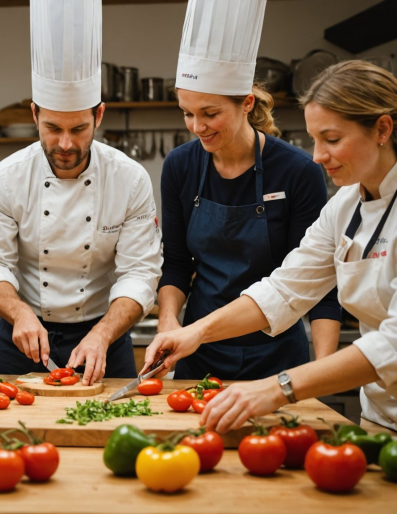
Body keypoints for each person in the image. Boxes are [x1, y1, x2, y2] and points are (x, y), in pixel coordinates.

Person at [143, 61, 397, 433]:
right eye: (314, 140)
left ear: (383, 129)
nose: (317, 156)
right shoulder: (344, 206)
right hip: (379, 417)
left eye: (331, 139)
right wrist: (193, 332)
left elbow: (392, 344)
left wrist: (283, 386)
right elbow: (283, 289)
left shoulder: (301, 175)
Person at [0, 0, 162, 386]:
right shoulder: (8, 177)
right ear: (34, 115)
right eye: (52, 128)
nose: (64, 144)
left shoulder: (129, 179)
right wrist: (20, 314)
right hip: (23, 334)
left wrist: (103, 333)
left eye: (78, 129)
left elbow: (140, 272)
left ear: (99, 116)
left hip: (104, 335)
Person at [157, 0, 340, 381]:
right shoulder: (179, 165)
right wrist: (168, 322)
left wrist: (323, 372)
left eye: (210, 113)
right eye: (187, 113)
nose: (197, 127)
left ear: (247, 103)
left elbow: (318, 282)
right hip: (198, 349)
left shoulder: (298, 171)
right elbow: (176, 263)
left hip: (276, 352)